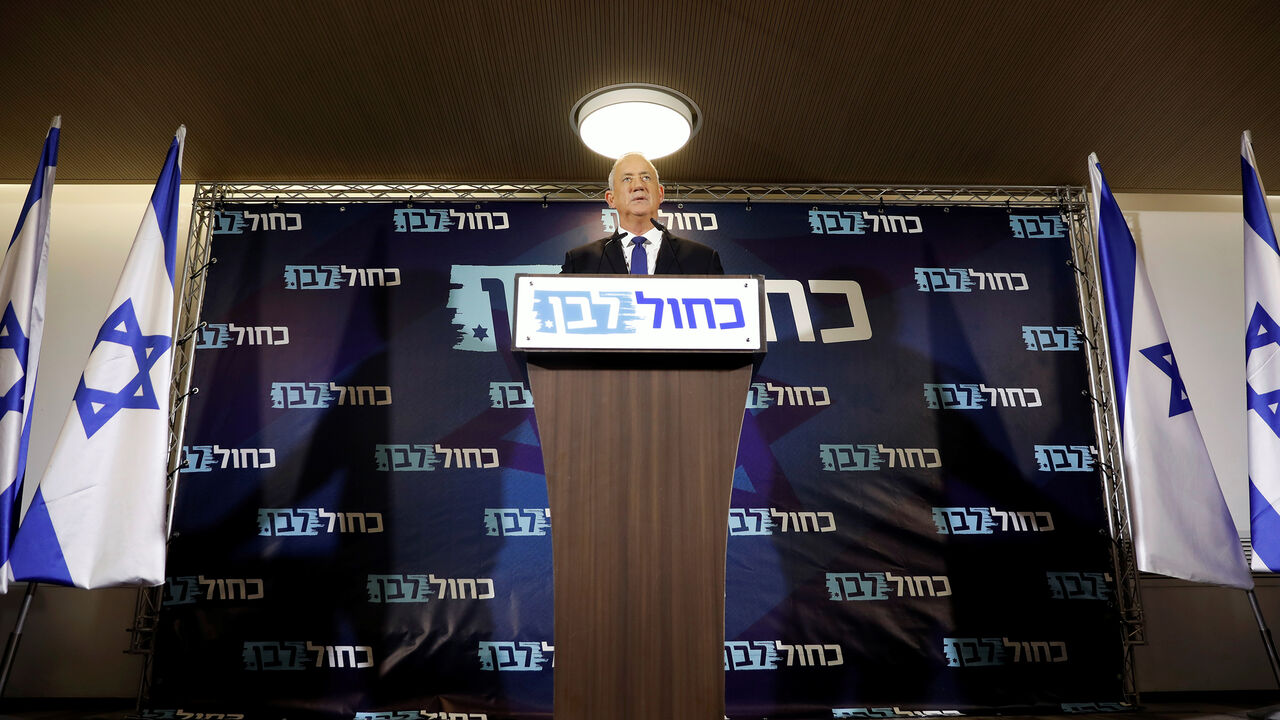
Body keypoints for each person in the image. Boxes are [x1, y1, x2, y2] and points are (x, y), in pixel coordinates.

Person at [561, 152, 724, 275]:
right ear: (611, 199)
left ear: (660, 193)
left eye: (646, 178)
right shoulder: (579, 262)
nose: (638, 185)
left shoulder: (703, 259)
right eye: (627, 179)